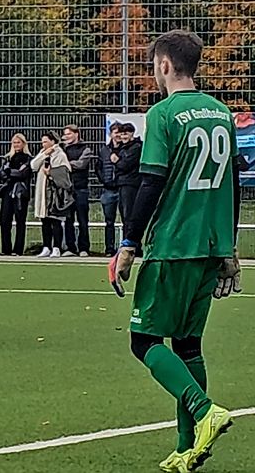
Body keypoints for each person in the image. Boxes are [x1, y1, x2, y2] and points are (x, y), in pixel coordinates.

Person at [108, 30, 238, 473]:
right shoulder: (221, 114)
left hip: (172, 244)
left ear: (164, 65)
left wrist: (128, 243)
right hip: (209, 246)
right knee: (188, 345)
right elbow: (233, 184)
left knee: (143, 341)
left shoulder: (163, 114)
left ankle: (204, 412)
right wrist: (229, 248)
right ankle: (188, 449)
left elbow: (151, 181)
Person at [31, 132, 73, 258]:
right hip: (43, 192)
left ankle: (57, 247)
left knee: (55, 220)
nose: (43, 144)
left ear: (53, 141)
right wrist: (44, 154)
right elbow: (33, 165)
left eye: (45, 141)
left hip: (55, 193)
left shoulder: (60, 154)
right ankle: (46, 246)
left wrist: (51, 173)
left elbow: (65, 172)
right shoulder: (43, 153)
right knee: (45, 221)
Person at [62, 124, 94, 257]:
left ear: (76, 134)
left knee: (82, 220)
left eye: (69, 134)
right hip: (67, 189)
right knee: (68, 219)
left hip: (81, 189)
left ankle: (84, 248)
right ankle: (70, 247)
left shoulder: (85, 149)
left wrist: (67, 163)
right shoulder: (62, 149)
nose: (66, 137)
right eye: (65, 134)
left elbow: (81, 164)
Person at [0, 133, 32, 256]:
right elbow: (2, 175)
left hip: (20, 194)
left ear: (23, 143)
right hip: (7, 192)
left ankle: (18, 250)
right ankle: (6, 249)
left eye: (18, 142)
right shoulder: (7, 158)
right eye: (14, 142)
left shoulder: (28, 158)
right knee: (4, 220)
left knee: (20, 221)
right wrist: (10, 173)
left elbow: (23, 174)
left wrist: (10, 173)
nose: (16, 145)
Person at [97, 123, 123, 255]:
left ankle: (127, 249)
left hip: (123, 188)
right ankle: (109, 248)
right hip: (108, 189)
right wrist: (104, 180)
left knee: (127, 220)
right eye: (115, 132)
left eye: (120, 132)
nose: (117, 135)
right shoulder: (104, 150)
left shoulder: (127, 149)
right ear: (110, 134)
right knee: (109, 221)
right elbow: (98, 168)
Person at [116, 123, 143, 223]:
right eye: (122, 134)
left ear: (132, 133)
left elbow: (125, 165)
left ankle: (130, 237)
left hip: (130, 183)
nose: (123, 137)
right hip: (122, 183)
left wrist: (117, 161)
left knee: (128, 214)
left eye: (126, 134)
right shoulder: (123, 147)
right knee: (123, 214)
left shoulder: (136, 147)